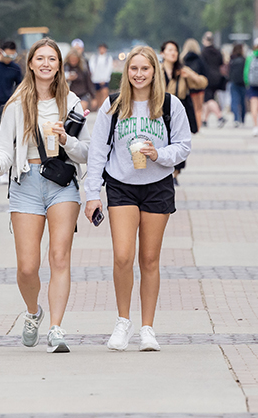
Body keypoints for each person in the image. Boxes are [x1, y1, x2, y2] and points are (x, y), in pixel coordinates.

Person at [0, 39, 91, 353]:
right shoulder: (17, 102)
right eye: (39, 58)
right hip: (25, 182)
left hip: (61, 184)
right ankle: (33, 312)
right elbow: (2, 147)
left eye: (51, 59)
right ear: (30, 64)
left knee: (59, 257)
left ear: (59, 65)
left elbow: (86, 152)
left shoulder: (70, 102)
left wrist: (66, 139)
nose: (45, 64)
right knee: (28, 266)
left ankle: (56, 328)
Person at [84, 46, 191, 352]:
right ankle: (122, 321)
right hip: (121, 185)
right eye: (134, 69)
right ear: (126, 72)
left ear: (154, 71)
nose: (139, 74)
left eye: (145, 69)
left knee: (149, 259)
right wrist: (93, 195)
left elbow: (184, 145)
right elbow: (97, 152)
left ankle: (147, 327)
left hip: (157, 185)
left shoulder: (170, 105)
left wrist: (160, 154)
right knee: (122, 256)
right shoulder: (114, 105)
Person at [161, 40, 206, 184]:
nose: (173, 53)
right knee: (163, 142)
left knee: (178, 141)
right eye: (169, 50)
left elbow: (203, 82)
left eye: (175, 50)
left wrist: (190, 76)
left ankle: (176, 172)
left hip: (179, 109)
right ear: (163, 53)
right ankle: (165, 172)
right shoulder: (156, 70)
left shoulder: (183, 70)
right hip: (160, 109)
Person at [200, 32, 226, 128]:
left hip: (207, 78)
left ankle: (220, 117)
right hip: (217, 77)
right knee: (210, 98)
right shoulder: (217, 51)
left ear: (205, 40)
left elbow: (202, 66)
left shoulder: (203, 53)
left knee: (208, 99)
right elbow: (221, 63)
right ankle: (204, 120)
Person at [181, 38, 207, 126]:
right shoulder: (199, 58)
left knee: (190, 108)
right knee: (199, 108)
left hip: (188, 86)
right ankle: (198, 127)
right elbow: (204, 72)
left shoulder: (183, 59)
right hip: (199, 85)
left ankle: (190, 126)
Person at [227, 43, 247, 127]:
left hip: (234, 82)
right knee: (243, 101)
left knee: (234, 101)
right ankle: (242, 119)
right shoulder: (244, 60)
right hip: (243, 83)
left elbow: (229, 72)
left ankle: (236, 119)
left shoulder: (232, 60)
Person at [89, 43, 115, 108]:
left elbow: (109, 69)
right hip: (95, 79)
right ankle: (99, 107)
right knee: (97, 93)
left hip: (104, 79)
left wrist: (104, 78)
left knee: (104, 92)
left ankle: (105, 107)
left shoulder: (108, 58)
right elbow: (92, 68)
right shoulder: (94, 57)